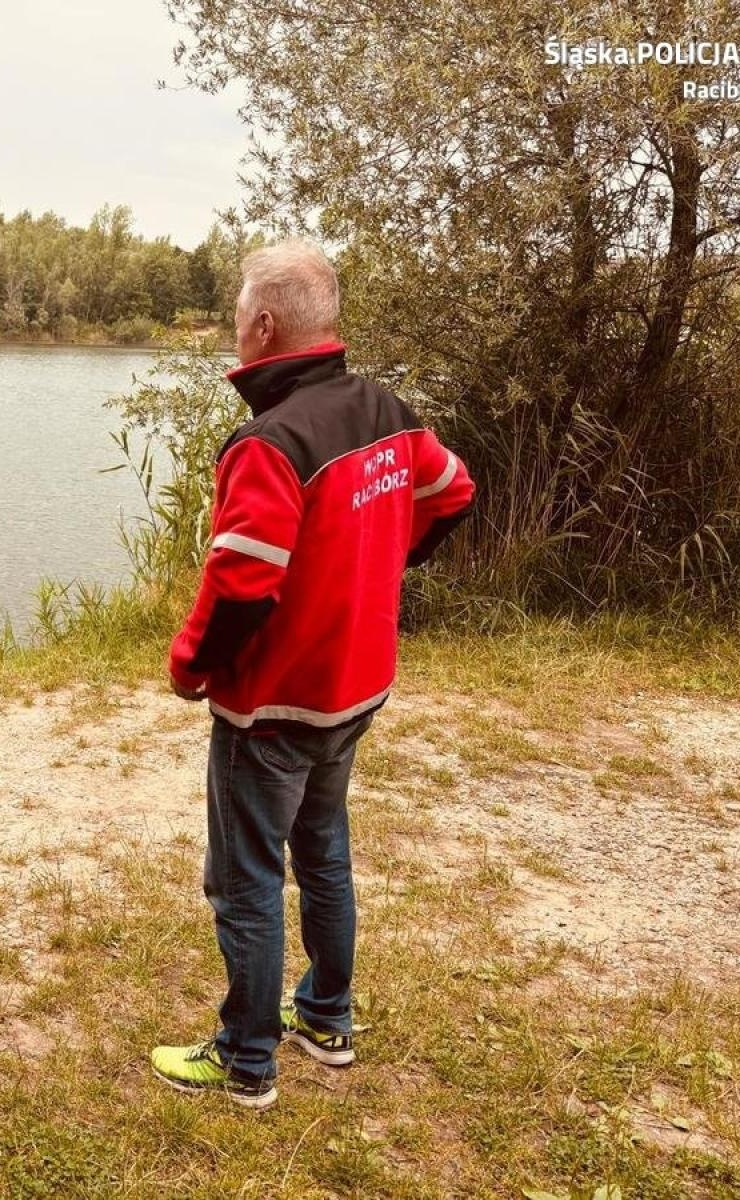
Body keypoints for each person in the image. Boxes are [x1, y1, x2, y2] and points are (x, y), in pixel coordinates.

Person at [150, 239, 475, 1108]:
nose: (234, 325)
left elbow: (243, 580)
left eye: (235, 312)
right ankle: (327, 1019)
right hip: (356, 685)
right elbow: (452, 490)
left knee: (247, 876)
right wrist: (380, 567)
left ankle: (245, 1061)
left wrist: (191, 669)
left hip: (276, 704)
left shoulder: (270, 440)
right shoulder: (387, 410)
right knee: (322, 846)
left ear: (262, 325)